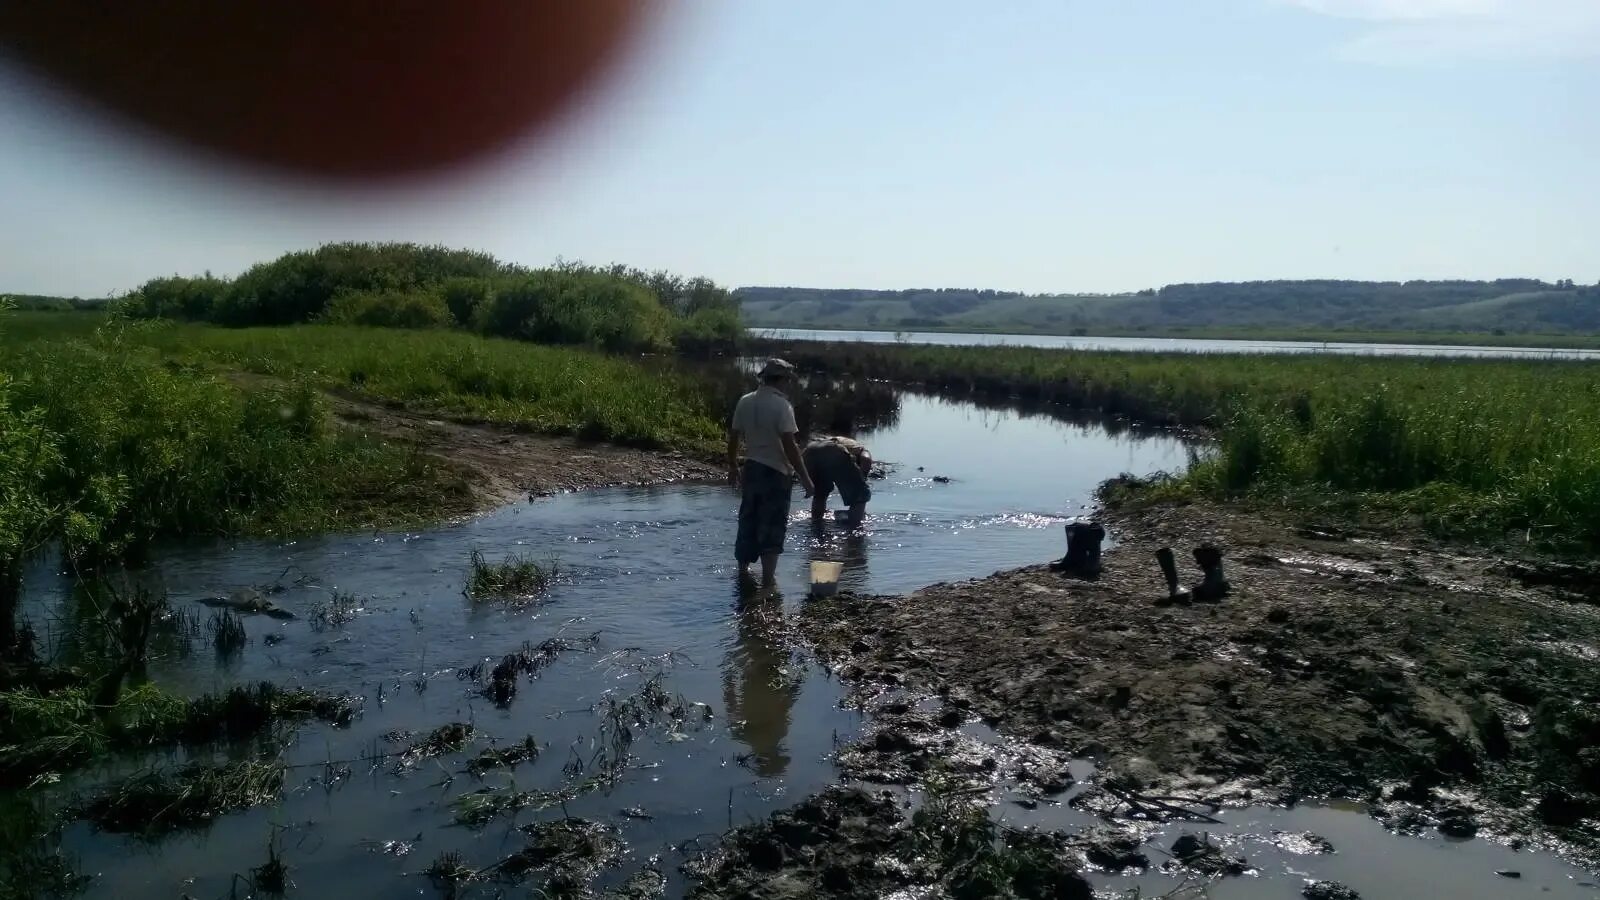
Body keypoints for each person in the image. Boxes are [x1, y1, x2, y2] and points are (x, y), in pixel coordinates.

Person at [728, 358, 814, 586]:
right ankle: (768, 581)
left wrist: (732, 465)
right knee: (772, 523)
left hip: (751, 468)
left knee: (748, 518)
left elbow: (734, 435)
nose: (789, 385)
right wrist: (805, 478)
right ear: (782, 380)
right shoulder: (782, 406)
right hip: (775, 472)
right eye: (788, 380)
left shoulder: (744, 401)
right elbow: (790, 446)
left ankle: (743, 572)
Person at [803, 436, 873, 529]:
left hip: (810, 450)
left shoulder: (841, 441)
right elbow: (866, 459)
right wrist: (862, 480)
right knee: (860, 496)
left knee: (820, 493)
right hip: (833, 450)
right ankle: (854, 530)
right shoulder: (862, 449)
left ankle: (816, 525)